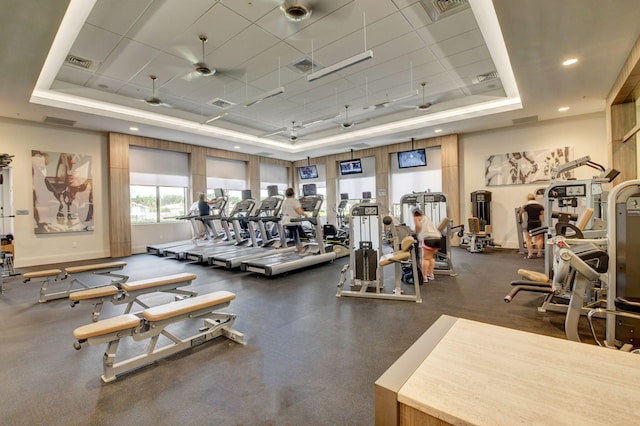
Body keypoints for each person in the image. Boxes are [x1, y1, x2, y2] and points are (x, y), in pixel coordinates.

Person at [413, 208, 442, 283]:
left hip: (428, 238)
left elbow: (418, 226)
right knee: (431, 257)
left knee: (425, 258)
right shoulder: (426, 217)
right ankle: (431, 274)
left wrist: (415, 232)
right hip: (437, 238)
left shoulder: (416, 217)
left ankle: (424, 277)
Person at [282, 187, 307, 255]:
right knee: (296, 234)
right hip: (293, 221)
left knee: (291, 235)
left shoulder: (284, 201)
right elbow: (299, 211)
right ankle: (300, 248)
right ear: (293, 193)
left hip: (285, 221)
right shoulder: (295, 201)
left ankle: (289, 247)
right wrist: (305, 214)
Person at [519, 193, 545, 259]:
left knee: (528, 239)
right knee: (539, 239)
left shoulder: (525, 206)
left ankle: (530, 254)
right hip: (538, 223)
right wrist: (543, 223)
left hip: (529, 223)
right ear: (535, 198)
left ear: (527, 199)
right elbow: (542, 216)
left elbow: (520, 213)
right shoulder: (540, 206)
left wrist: (520, 220)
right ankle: (539, 253)